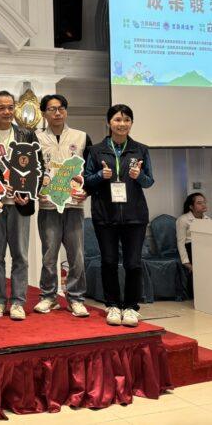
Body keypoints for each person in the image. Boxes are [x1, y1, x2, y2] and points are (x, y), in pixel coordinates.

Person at [84, 104, 154, 327]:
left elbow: (149, 181)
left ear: (131, 123)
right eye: (117, 120)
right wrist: (100, 175)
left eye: (126, 120)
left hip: (135, 215)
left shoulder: (141, 150)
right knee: (109, 261)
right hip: (105, 215)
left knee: (133, 263)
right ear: (109, 123)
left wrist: (138, 175)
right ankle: (112, 305)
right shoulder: (95, 151)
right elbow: (86, 181)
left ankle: (131, 307)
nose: (122, 124)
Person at [0, 90, 40, 321]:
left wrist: (29, 193)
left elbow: (37, 167)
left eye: (10, 107)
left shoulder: (27, 134)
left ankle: (18, 302)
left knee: (20, 254)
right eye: (1, 108)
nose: (6, 112)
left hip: (19, 203)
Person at [34, 94, 92, 318]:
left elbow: (91, 171)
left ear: (66, 111)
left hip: (73, 204)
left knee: (76, 255)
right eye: (52, 109)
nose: (57, 113)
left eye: (61, 108)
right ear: (44, 113)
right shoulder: (36, 138)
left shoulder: (81, 136)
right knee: (49, 254)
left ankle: (76, 298)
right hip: (48, 204)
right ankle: (48, 297)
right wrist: (37, 188)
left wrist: (87, 190)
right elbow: (32, 171)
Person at [176, 192, 209, 297]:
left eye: (204, 202)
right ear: (191, 206)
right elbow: (180, 242)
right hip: (191, 247)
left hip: (205, 247)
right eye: (199, 203)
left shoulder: (208, 220)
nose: (203, 205)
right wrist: (186, 262)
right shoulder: (183, 219)